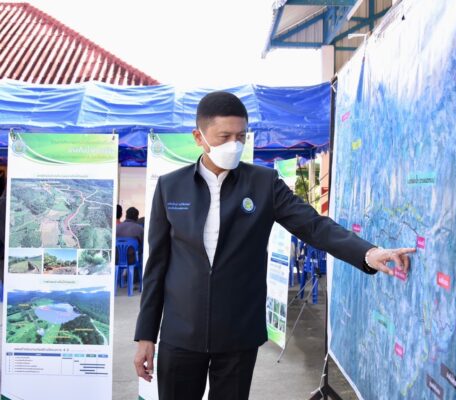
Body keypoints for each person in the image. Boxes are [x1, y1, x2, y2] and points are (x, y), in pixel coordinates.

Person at [134, 92, 415, 400]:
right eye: (224, 136)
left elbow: (313, 225)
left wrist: (368, 253)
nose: (234, 144)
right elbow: (156, 266)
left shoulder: (263, 183)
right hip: (180, 333)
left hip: (238, 332)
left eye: (240, 136)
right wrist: (146, 335)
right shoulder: (170, 186)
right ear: (199, 137)